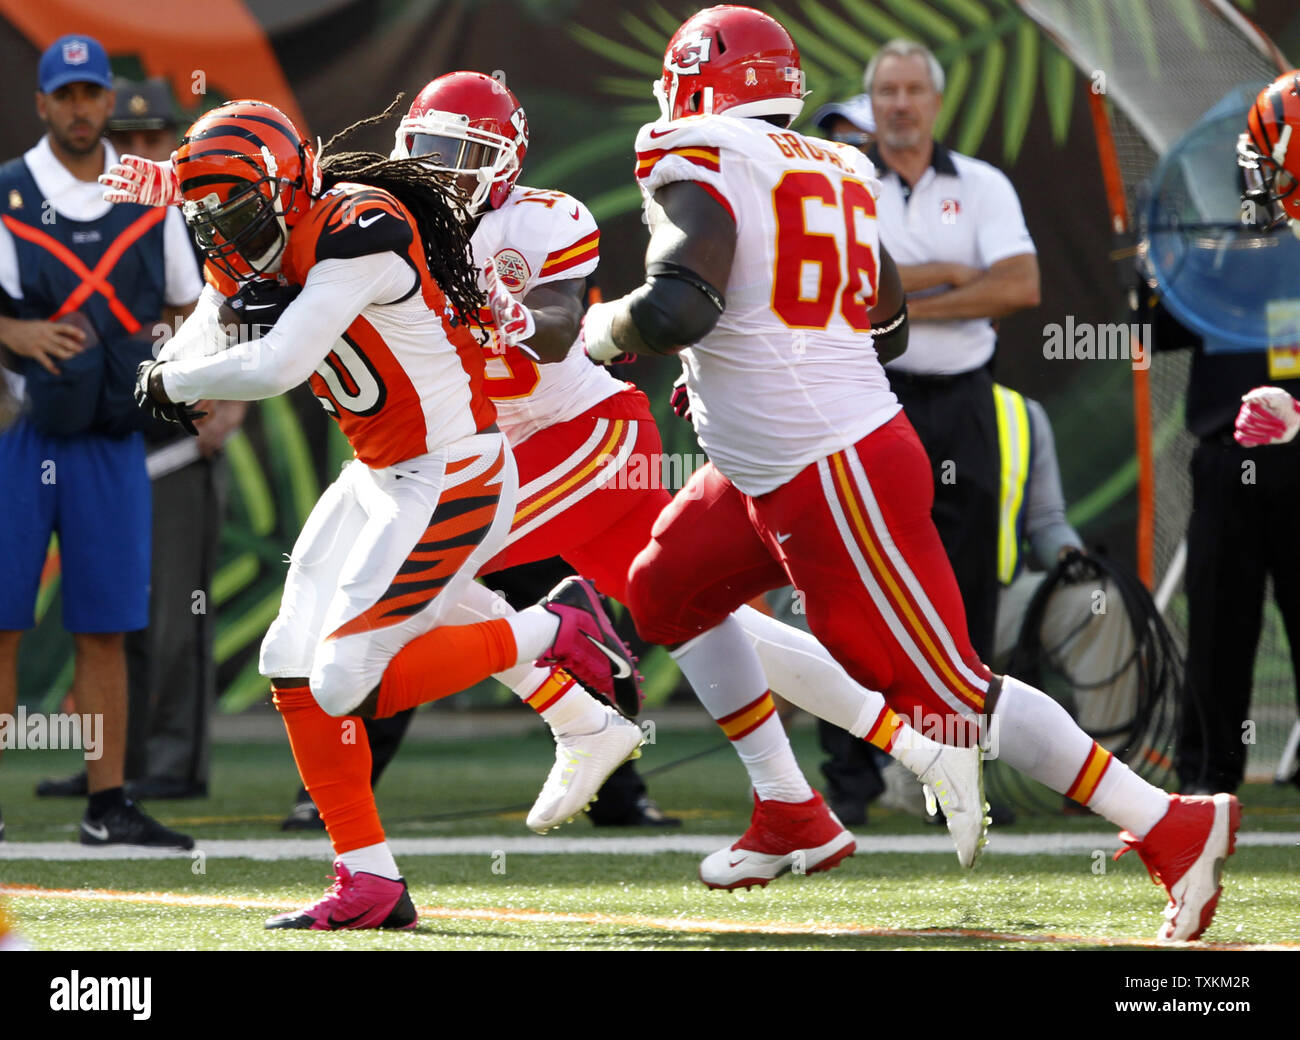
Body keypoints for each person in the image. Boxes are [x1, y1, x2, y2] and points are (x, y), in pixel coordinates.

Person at [581, 3, 1240, 942]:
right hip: (775, 465)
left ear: (699, 84)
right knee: (665, 590)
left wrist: (608, 331)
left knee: (952, 698)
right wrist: (738, 371)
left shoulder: (703, 151)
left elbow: (681, 304)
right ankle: (788, 809)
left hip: (832, 472)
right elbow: (883, 323)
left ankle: (1173, 825)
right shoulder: (842, 165)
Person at [385, 71, 985, 883]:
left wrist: (502, 312)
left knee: (417, 566)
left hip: (579, 437)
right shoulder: (383, 226)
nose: (443, 174)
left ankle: (575, 715)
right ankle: (837, 781)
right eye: (429, 153)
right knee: (703, 617)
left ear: (508, 161)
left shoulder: (544, 218)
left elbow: (562, 328)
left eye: (466, 155)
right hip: (498, 446)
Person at [108, 98, 644, 929]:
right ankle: (370, 881)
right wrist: (174, 360)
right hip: (380, 474)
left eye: (238, 207)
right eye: (209, 213)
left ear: (287, 188)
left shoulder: (361, 228)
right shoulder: (248, 240)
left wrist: (171, 383)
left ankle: (555, 626)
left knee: (346, 678)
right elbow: (212, 323)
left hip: (454, 474)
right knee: (289, 659)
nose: (224, 228)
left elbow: (283, 363)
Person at [0, 35, 200, 849]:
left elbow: (193, 308)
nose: (81, 109)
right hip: (25, 433)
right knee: (3, 622)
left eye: (92, 94)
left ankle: (107, 804)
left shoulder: (156, 194)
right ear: (43, 103)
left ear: (109, 103)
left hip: (114, 439)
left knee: (106, 626)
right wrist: (17, 330)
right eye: (66, 95)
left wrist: (167, 367)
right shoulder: (10, 192)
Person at [864, 38, 1041, 662]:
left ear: (937, 102)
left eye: (913, 91)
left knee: (966, 573)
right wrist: (952, 270)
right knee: (868, 566)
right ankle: (860, 755)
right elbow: (844, 287)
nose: (901, 104)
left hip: (966, 401)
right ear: (871, 102)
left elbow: (1019, 286)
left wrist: (901, 305)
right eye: (887, 91)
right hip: (874, 399)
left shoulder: (983, 184)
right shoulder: (844, 184)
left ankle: (963, 732)